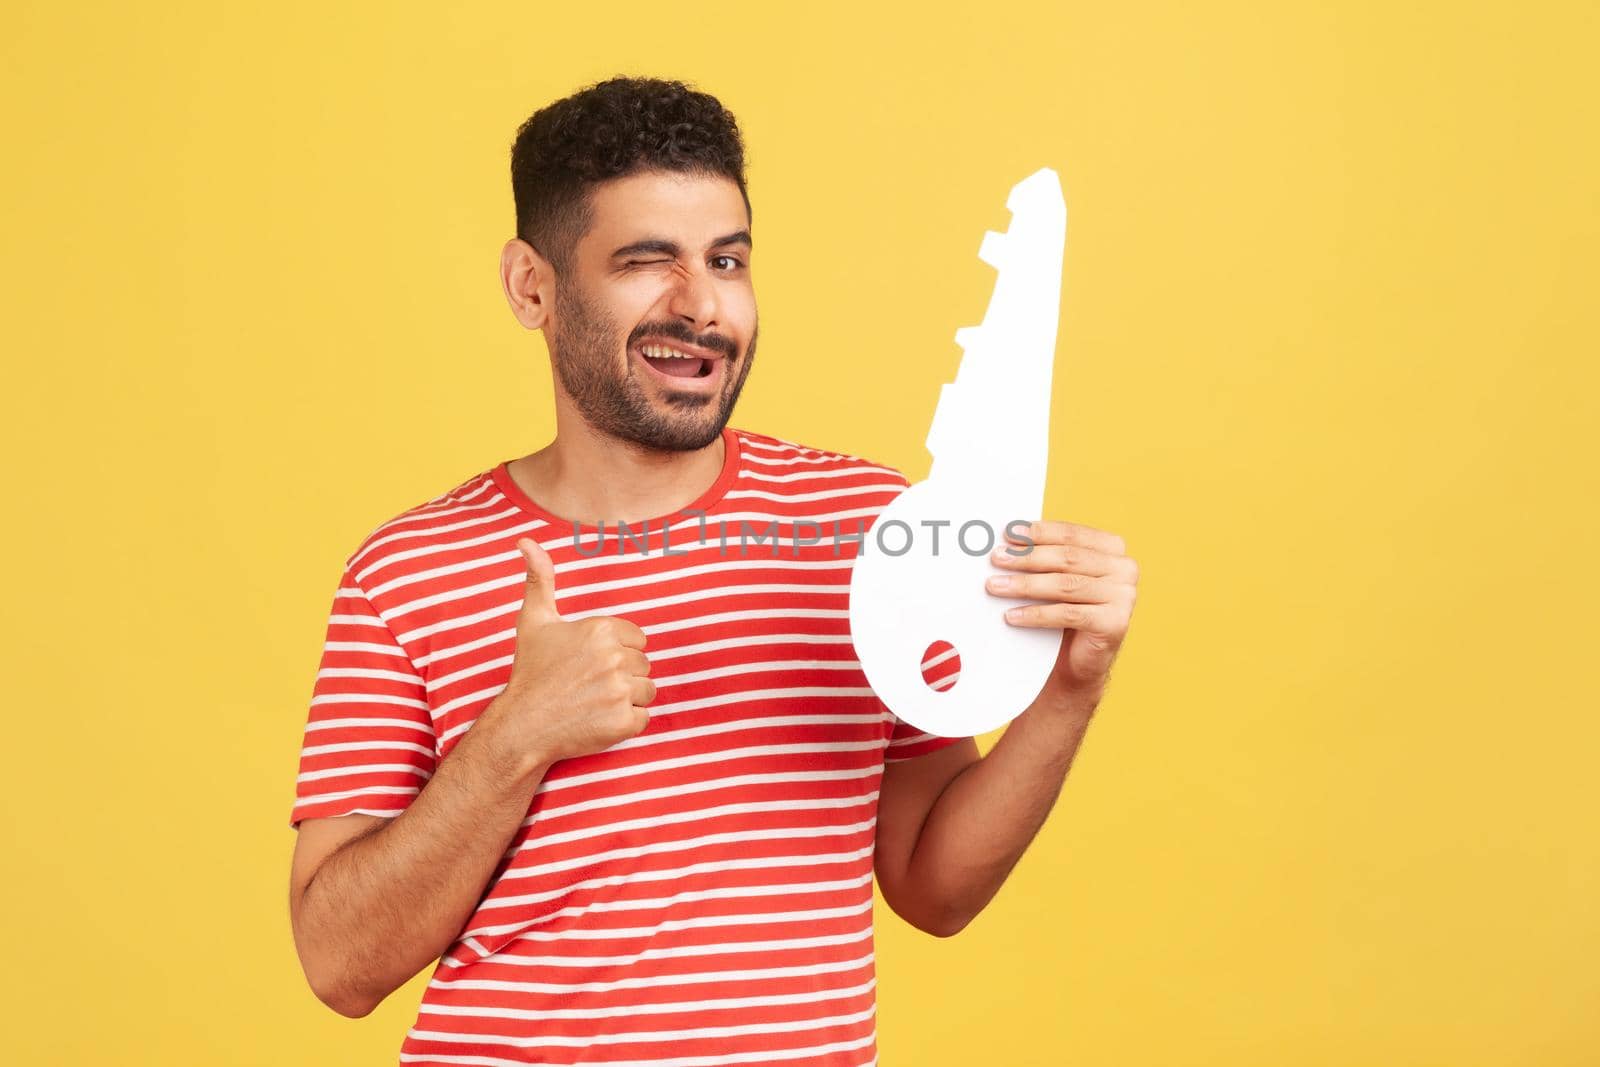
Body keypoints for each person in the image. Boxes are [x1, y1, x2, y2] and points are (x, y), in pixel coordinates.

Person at [286, 75, 1138, 1067]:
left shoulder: (867, 526)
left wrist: (1070, 683)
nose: (699, 305)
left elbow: (931, 885)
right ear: (532, 286)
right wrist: (516, 737)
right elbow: (338, 963)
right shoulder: (410, 568)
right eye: (647, 262)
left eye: (725, 260)